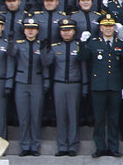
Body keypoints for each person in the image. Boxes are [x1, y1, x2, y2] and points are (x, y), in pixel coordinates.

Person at [79, 14, 123, 158]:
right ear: (100, 28)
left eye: (111, 26)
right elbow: (82, 57)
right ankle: (100, 147)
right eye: (105, 26)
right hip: (98, 86)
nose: (108, 29)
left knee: (114, 119)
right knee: (99, 119)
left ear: (114, 28)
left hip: (115, 86)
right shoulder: (94, 43)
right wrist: (82, 43)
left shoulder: (120, 44)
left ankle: (113, 147)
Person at [42, 18, 87, 157]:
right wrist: (44, 50)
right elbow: (47, 63)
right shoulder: (56, 47)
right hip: (59, 84)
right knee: (60, 116)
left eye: (69, 30)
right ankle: (62, 146)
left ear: (74, 31)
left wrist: (85, 86)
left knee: (73, 116)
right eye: (63, 30)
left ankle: (73, 145)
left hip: (74, 84)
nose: (66, 33)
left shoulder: (79, 46)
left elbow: (83, 67)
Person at [6, 18, 44, 157]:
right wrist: (11, 41)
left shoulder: (41, 45)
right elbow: (11, 54)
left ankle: (34, 145)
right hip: (21, 83)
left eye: (33, 28)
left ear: (37, 31)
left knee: (35, 115)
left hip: (37, 82)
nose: (30, 31)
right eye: (28, 28)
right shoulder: (19, 44)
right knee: (23, 116)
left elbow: (45, 64)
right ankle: (24, 145)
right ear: (24, 30)